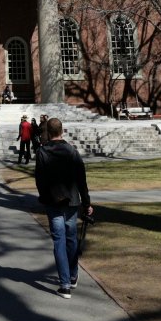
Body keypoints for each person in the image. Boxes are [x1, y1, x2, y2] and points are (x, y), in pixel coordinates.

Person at [34, 117, 92, 299]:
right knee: (70, 238)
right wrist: (87, 202)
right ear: (62, 130)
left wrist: (45, 197)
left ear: (48, 132)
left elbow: (40, 180)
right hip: (71, 200)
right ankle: (72, 276)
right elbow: (81, 179)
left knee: (60, 241)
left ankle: (65, 283)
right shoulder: (72, 151)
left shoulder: (42, 152)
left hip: (53, 201)